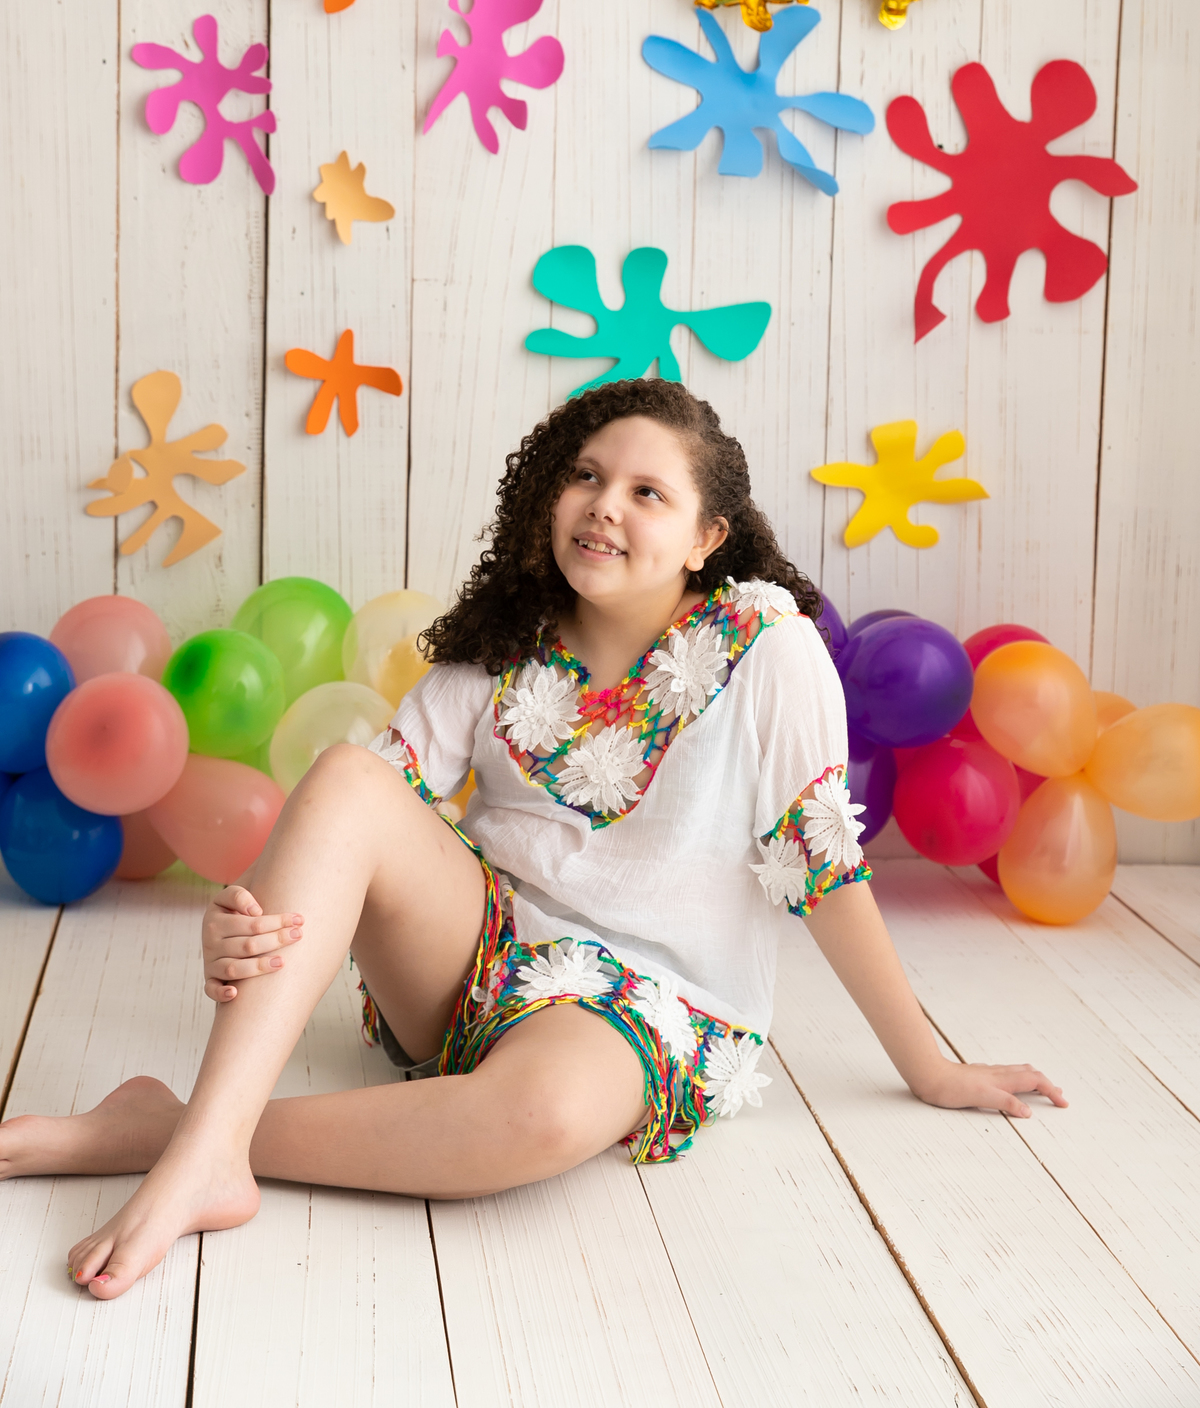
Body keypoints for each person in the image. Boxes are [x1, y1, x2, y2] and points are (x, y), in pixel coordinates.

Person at [0, 380, 1065, 1300]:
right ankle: (204, 1154)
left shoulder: (767, 646)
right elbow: (352, 826)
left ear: (708, 537)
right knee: (351, 776)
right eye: (586, 477)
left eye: (647, 493)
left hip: (649, 1003)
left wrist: (929, 1066)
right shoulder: (500, 642)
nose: (605, 506)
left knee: (545, 1117)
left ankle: (173, 1134)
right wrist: (241, 919)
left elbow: (819, 872)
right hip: (471, 959)